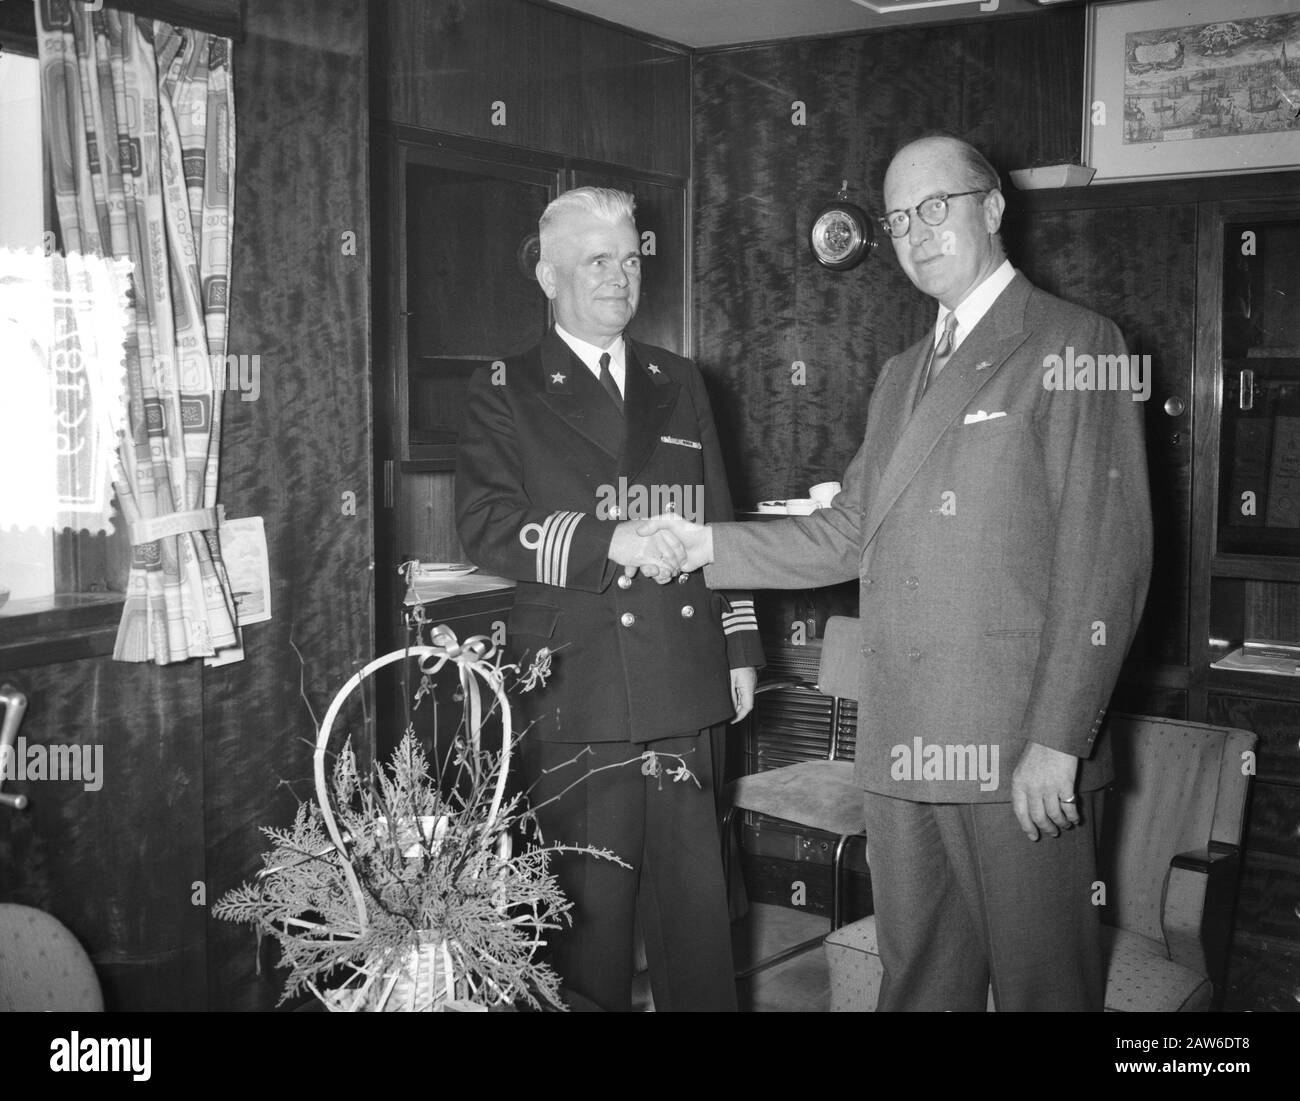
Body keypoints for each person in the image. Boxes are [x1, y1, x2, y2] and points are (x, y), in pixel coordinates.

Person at [640, 135, 1153, 1011]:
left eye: (936, 207)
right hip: (903, 745)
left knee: (1044, 989)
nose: (915, 232)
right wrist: (701, 547)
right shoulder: (900, 374)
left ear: (993, 209)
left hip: (1014, 752)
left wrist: (1060, 739)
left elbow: (1108, 560)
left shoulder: (1075, 343)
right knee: (919, 985)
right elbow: (847, 532)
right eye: (899, 217)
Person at [455, 187, 763, 1012]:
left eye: (631, 259)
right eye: (599, 261)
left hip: (685, 673)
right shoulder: (506, 385)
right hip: (578, 687)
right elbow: (485, 526)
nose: (621, 277)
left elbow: (720, 517)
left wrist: (740, 649)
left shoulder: (679, 377)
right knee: (586, 932)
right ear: (549, 275)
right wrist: (608, 541)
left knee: (698, 925)